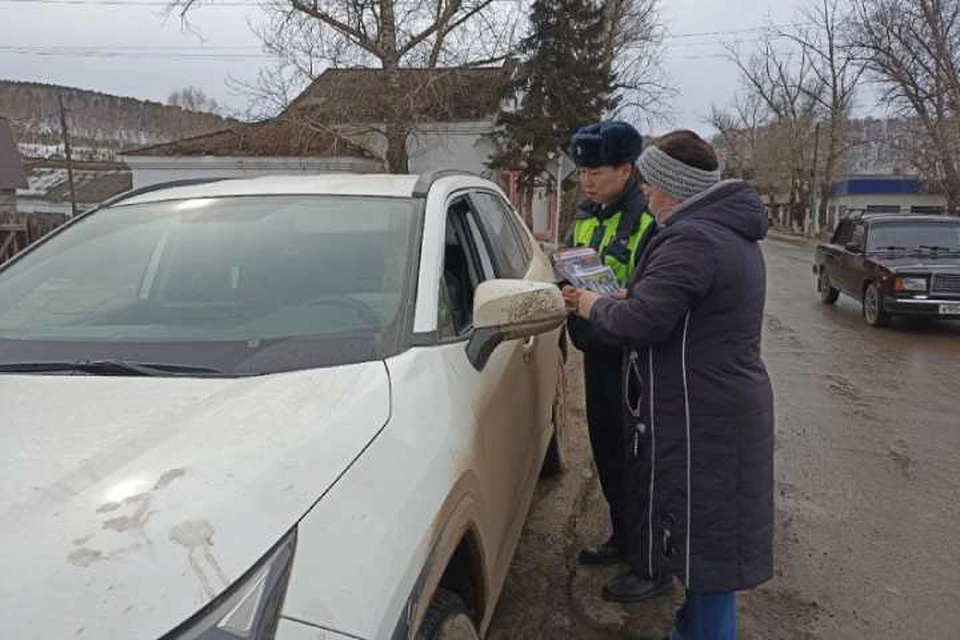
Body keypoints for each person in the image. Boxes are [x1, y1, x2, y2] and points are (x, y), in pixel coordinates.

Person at [563, 130, 775, 639]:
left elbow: (640, 319)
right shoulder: (719, 232)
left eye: (655, 185)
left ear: (675, 188)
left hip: (704, 411)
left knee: (709, 545)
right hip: (714, 402)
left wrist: (589, 303)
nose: (649, 195)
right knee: (707, 543)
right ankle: (692, 625)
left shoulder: (695, 238)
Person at [564, 121, 667, 603]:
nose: (586, 180)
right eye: (582, 170)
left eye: (597, 170)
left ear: (627, 169)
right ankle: (623, 537)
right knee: (608, 451)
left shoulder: (651, 222)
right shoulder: (586, 216)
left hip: (636, 361)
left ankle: (652, 561)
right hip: (597, 352)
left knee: (640, 460)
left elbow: (655, 298)